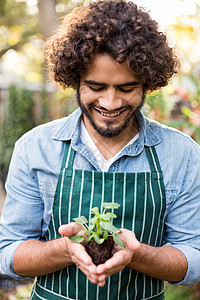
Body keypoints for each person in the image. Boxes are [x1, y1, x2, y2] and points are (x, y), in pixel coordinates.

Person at [0, 0, 200, 299]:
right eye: (96, 87)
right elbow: (10, 254)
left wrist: (136, 254)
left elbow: (193, 260)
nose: (110, 103)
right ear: (75, 79)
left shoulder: (181, 154)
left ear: (147, 83)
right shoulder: (36, 148)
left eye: (126, 88)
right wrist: (65, 249)